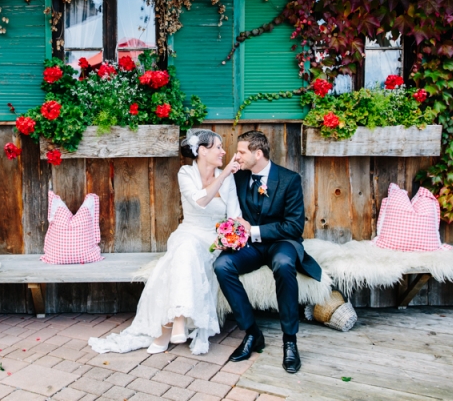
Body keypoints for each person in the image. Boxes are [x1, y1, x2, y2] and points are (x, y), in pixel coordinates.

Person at [89, 129, 242, 355]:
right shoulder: (186, 173)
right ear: (201, 151)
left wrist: (232, 235)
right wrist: (225, 173)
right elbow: (200, 201)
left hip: (211, 239)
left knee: (180, 258)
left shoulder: (228, 180)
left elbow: (234, 215)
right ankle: (176, 319)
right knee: (185, 248)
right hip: (188, 232)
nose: (223, 151)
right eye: (218, 147)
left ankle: (168, 327)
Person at [213, 130, 322, 373]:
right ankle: (252, 333)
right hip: (250, 247)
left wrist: (254, 230)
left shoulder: (288, 179)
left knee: (284, 265)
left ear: (258, 153)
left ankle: (290, 340)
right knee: (222, 266)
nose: (237, 156)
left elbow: (294, 226)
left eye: (241, 152)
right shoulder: (238, 177)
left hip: (282, 242)